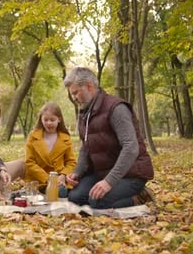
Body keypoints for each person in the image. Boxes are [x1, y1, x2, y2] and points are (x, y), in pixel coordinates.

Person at [63, 67, 154, 209]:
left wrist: (108, 182)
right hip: (102, 171)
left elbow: (131, 147)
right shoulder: (84, 113)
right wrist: (77, 173)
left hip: (131, 173)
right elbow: (85, 147)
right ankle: (111, 194)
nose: (74, 98)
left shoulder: (116, 108)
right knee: (75, 197)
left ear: (88, 86)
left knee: (97, 202)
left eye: (75, 92)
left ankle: (139, 197)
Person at [24, 102, 76, 198]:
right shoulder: (33, 136)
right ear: (41, 119)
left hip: (59, 179)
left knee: (63, 192)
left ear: (59, 119)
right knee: (56, 192)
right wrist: (48, 179)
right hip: (39, 179)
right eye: (46, 120)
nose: (49, 123)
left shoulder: (65, 138)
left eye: (52, 120)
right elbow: (29, 162)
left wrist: (63, 175)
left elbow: (71, 162)